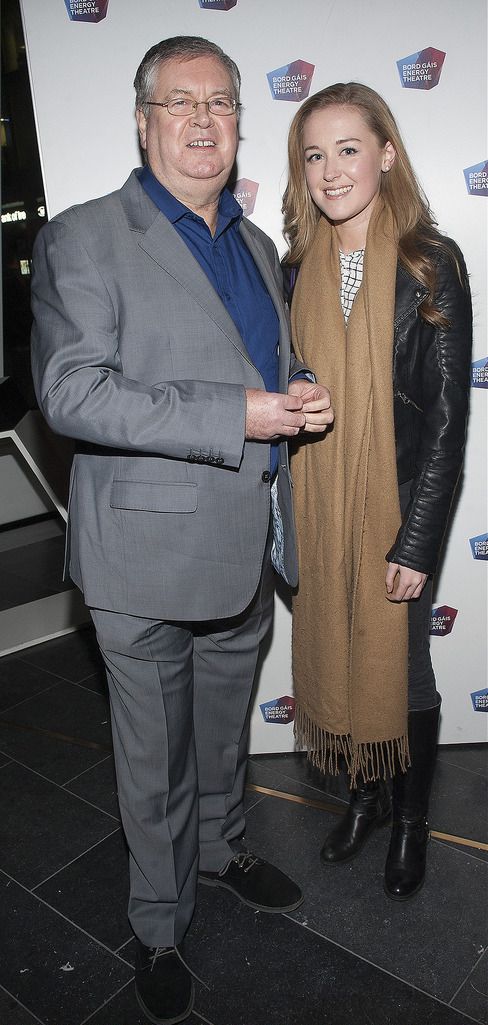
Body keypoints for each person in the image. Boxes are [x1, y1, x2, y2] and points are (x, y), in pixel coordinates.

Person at [30, 36, 333, 1025]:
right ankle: (157, 923)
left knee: (219, 726)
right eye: (178, 102)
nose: (202, 120)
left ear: (241, 122)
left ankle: (221, 843)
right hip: (142, 556)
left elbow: (254, 369)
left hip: (241, 541)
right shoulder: (86, 235)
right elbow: (72, 392)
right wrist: (233, 412)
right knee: (150, 752)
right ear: (142, 118)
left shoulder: (250, 245)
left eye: (221, 103)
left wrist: (291, 394)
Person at [282, 83, 472, 902]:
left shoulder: (433, 261)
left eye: (347, 149)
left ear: (386, 153)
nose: (330, 171)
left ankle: (409, 822)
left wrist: (419, 540)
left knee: (409, 675)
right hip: (321, 507)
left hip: (394, 506)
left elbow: (446, 419)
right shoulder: (293, 266)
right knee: (336, 649)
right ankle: (362, 796)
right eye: (315, 154)